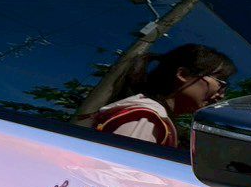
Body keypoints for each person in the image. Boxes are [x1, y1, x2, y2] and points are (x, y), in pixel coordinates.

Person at [90, 43, 235, 148]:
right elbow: (116, 177)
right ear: (183, 75)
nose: (221, 95)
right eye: (221, 83)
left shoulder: (154, 118)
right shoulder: (146, 119)